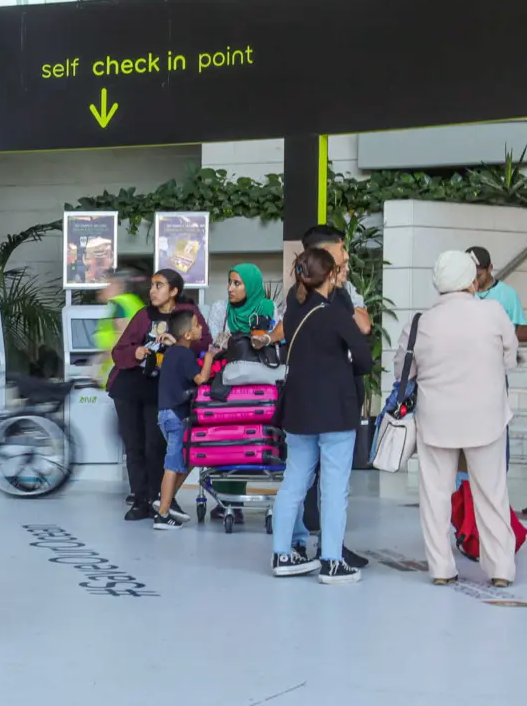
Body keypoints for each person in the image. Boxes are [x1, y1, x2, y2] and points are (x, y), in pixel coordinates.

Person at [394, 250, 518, 587]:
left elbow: (403, 371)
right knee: (492, 494)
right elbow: (510, 359)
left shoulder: (421, 322)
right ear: (472, 280)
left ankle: (441, 569)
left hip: (436, 421)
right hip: (486, 418)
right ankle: (501, 570)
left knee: (434, 494)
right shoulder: (492, 313)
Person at [256, 225, 371, 568]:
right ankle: (332, 560)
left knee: (294, 480)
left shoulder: (294, 299)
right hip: (335, 408)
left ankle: (282, 554)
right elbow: (363, 356)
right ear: (330, 271)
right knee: (334, 486)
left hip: (298, 406)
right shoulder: (337, 308)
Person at [110, 269, 209, 521]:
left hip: (163, 388)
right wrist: (137, 352)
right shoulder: (143, 316)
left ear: (174, 291)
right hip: (131, 385)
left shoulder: (188, 314)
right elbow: (119, 349)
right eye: (152, 285)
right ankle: (140, 499)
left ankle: (161, 498)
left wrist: (174, 342)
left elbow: (203, 341)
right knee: (134, 446)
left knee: (157, 445)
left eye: (159, 286)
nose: (152, 291)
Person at [204, 263, 276, 520]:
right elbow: (211, 343)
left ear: (251, 285)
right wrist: (220, 341)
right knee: (226, 435)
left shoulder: (268, 308)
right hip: (228, 381)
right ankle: (226, 499)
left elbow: (275, 339)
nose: (231, 288)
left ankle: (234, 496)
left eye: (237, 283)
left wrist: (262, 338)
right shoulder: (220, 309)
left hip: (257, 383)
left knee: (251, 437)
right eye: (230, 282)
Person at [154, 310, 218, 530]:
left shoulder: (172, 353)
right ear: (188, 335)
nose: (201, 327)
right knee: (172, 465)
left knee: (187, 460)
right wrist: (209, 358)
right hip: (176, 417)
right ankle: (162, 514)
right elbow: (201, 379)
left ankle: (166, 499)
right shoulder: (185, 355)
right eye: (197, 324)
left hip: (164, 414)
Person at [92, 267, 149, 387]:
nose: (102, 289)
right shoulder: (134, 302)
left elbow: (121, 337)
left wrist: (99, 369)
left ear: (119, 286)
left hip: (120, 373)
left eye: (108, 284)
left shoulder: (119, 304)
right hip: (134, 369)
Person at [467, 246, 527, 343]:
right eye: (470, 275)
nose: (474, 280)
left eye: (478, 275)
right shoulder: (461, 293)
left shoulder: (508, 294)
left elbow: (520, 329)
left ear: (490, 268)